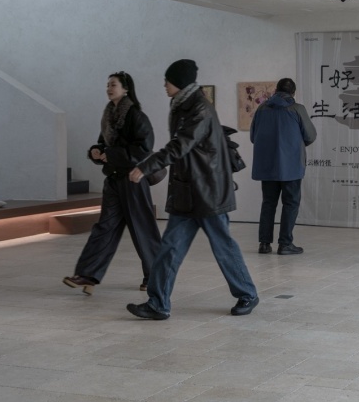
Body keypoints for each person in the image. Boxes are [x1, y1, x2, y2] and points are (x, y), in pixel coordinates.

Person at [126, 59, 259, 320]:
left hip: (208, 191)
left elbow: (180, 145)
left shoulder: (199, 108)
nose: (164, 84)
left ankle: (247, 294)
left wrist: (146, 166)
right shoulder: (182, 105)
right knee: (170, 248)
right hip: (188, 191)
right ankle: (158, 303)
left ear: (180, 82)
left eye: (168, 80)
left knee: (223, 247)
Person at [63, 72, 161, 294]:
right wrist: (96, 151)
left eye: (113, 84)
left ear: (125, 89)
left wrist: (111, 154)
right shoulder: (109, 115)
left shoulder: (136, 116)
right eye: (107, 84)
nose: (109, 88)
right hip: (115, 180)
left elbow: (143, 149)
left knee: (142, 228)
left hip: (134, 180)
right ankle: (87, 275)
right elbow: (103, 143)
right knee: (104, 227)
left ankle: (156, 275)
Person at [250, 77, 316, 255]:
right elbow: (310, 135)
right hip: (291, 166)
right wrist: (294, 145)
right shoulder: (297, 109)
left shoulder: (262, 109)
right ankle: (285, 244)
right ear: (293, 93)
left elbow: (253, 136)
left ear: (275, 91)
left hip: (267, 165)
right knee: (291, 203)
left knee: (268, 203)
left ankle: (264, 244)